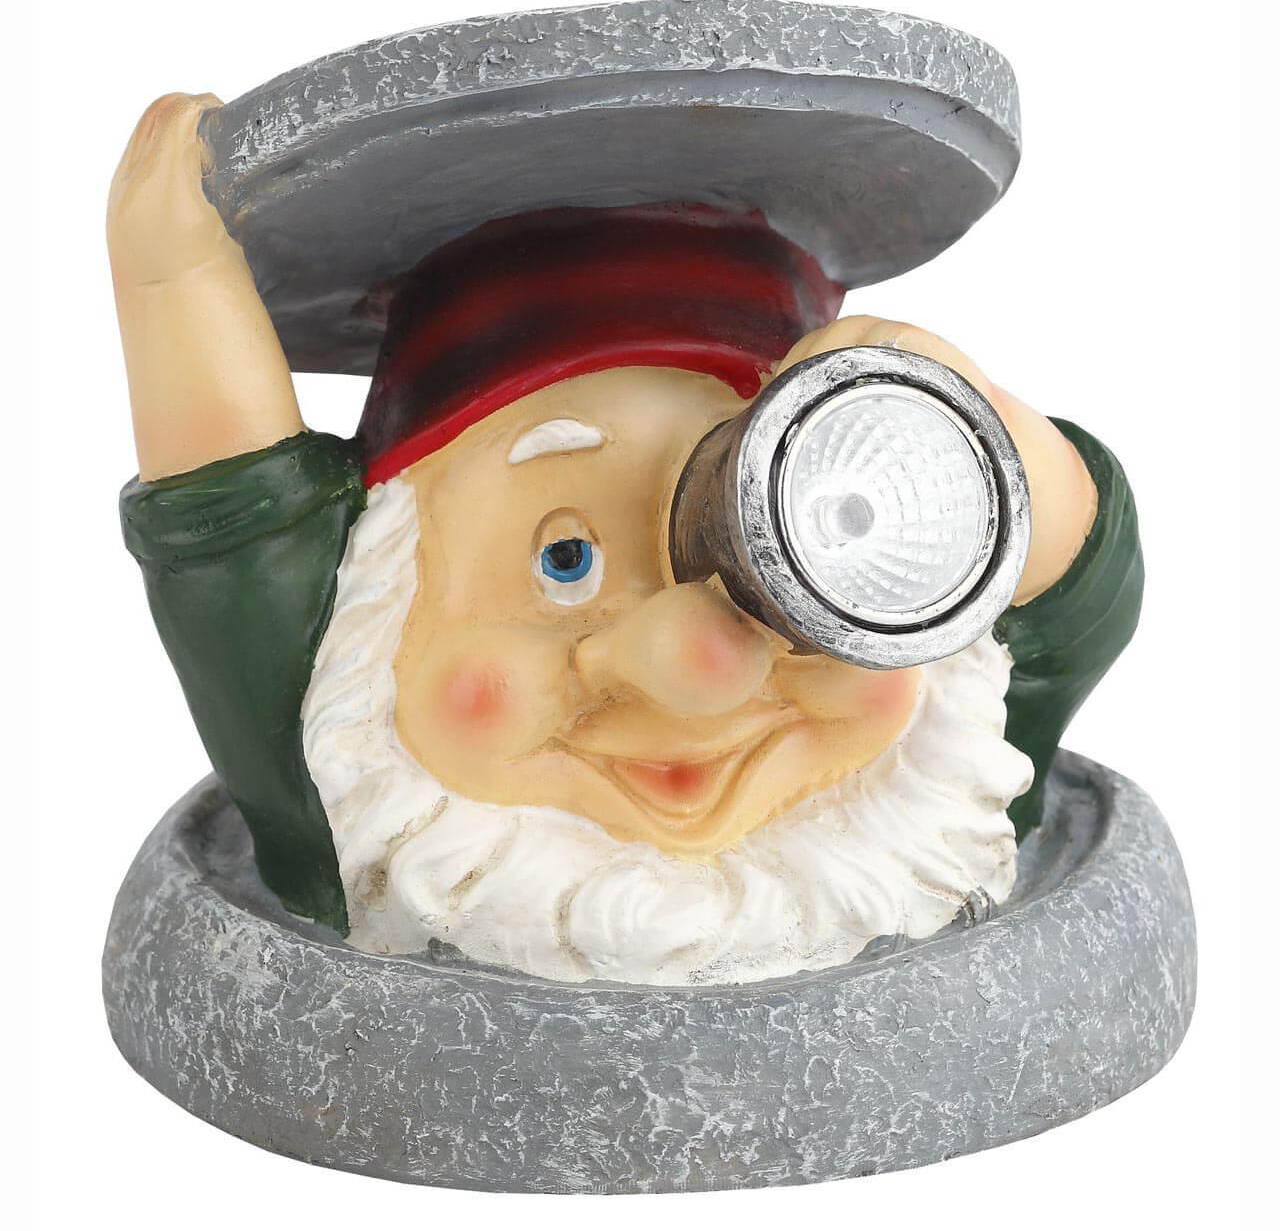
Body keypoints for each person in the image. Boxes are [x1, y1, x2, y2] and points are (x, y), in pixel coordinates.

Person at [109, 94, 1141, 984]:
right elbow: (236, 540)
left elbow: (1072, 574)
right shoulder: (346, 800)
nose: (699, 673)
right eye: (564, 560)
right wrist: (173, 284)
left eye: (785, 564)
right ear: (377, 609)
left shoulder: (950, 787)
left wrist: (962, 417)